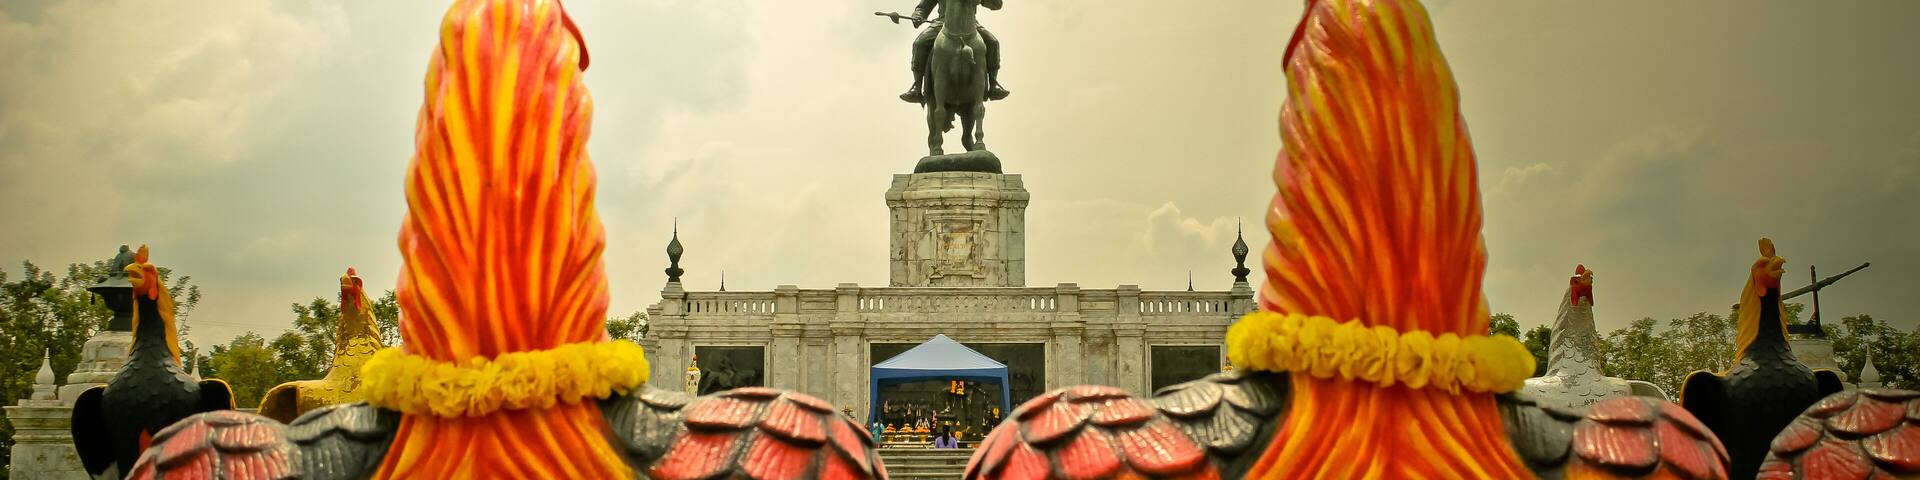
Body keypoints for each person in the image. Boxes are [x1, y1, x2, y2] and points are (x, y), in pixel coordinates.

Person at [899, 0, 1010, 103]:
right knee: (919, 44)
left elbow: (997, 4)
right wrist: (917, 16)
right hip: (941, 24)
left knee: (993, 42)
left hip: (971, 24)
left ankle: (993, 85)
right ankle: (917, 88)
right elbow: (923, 7)